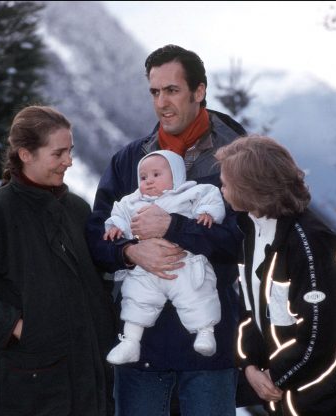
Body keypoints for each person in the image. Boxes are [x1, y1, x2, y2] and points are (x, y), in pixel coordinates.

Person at [86, 44, 246, 415]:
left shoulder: (237, 159)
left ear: (199, 91)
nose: (162, 103)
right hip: (142, 345)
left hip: (209, 344)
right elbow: (97, 232)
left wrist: (175, 226)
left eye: (172, 90)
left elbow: (245, 242)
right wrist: (128, 251)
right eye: (155, 92)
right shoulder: (130, 160)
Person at [0, 105, 116, 415]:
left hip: (90, 387)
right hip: (28, 392)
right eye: (58, 153)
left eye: (70, 151)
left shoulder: (77, 209)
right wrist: (16, 326)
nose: (69, 161)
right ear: (25, 154)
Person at [215, 135, 336, 416]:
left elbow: (323, 337)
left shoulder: (313, 244)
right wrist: (249, 365)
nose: (220, 188)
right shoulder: (250, 232)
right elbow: (250, 311)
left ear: (252, 187)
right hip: (287, 399)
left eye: (226, 182)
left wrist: (273, 378)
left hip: (330, 402)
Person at [103, 150, 224, 364]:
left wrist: (206, 212)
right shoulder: (131, 201)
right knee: (136, 297)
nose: (149, 181)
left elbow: (211, 196)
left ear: (176, 176)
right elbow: (118, 213)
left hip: (182, 262)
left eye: (156, 175)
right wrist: (115, 228)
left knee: (197, 292)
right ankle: (131, 341)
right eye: (143, 177)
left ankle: (205, 332)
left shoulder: (189, 192)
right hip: (145, 267)